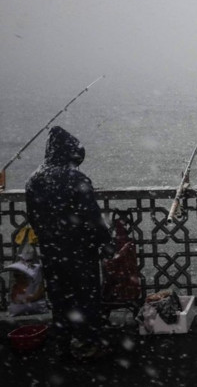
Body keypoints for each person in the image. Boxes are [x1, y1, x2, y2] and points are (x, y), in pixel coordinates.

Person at [25, 126, 113, 361]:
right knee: (86, 298)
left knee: (59, 298)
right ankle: (87, 345)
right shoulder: (76, 178)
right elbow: (92, 216)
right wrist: (105, 240)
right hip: (79, 251)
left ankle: (62, 344)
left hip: (51, 252)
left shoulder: (34, 179)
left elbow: (33, 217)